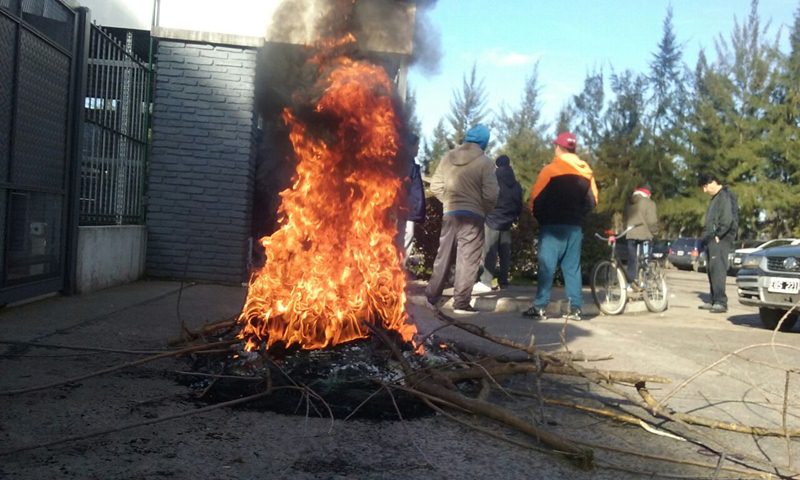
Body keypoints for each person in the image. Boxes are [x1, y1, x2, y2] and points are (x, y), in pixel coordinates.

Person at [523, 132, 598, 321]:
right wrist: (578, 216)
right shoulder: (585, 171)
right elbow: (593, 201)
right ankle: (576, 309)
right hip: (574, 226)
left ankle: (540, 307)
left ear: (558, 148)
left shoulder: (550, 170)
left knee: (547, 266)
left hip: (552, 226)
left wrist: (540, 217)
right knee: (572, 268)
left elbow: (535, 199)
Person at [425, 124, 499, 314]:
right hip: (473, 216)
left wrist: (448, 202)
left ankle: (431, 297)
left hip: (450, 214)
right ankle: (461, 303)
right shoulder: (486, 162)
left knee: (443, 256)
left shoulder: (448, 157)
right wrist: (482, 209)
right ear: (484, 142)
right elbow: (491, 195)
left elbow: (435, 186)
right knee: (468, 260)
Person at [476, 154, 523, 291]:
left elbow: (486, 198)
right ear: (509, 165)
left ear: (496, 165)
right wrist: (514, 217)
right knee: (505, 253)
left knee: (490, 251)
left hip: (492, 219)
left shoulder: (492, 180)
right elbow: (519, 203)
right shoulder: (515, 183)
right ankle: (504, 282)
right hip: (508, 221)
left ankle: (486, 281)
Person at [698, 173, 738, 313]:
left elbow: (727, 219)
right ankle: (714, 299)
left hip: (720, 239)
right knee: (711, 269)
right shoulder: (716, 198)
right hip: (711, 239)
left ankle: (721, 302)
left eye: (705, 186)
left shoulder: (724, 195)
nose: (704, 190)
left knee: (718, 269)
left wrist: (718, 234)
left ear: (713, 182)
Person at [622, 182, 658, 290]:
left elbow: (625, 219)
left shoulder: (629, 202)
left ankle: (630, 284)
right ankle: (644, 283)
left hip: (630, 234)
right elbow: (652, 221)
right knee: (645, 260)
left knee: (632, 261)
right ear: (648, 193)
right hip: (645, 236)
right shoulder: (649, 203)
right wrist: (655, 233)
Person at [397, 133, 425, 266]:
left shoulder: (412, 164)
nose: (418, 148)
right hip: (403, 211)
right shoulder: (404, 164)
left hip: (409, 211)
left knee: (407, 237)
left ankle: (399, 270)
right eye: (417, 145)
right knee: (402, 238)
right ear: (409, 146)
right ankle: (396, 269)